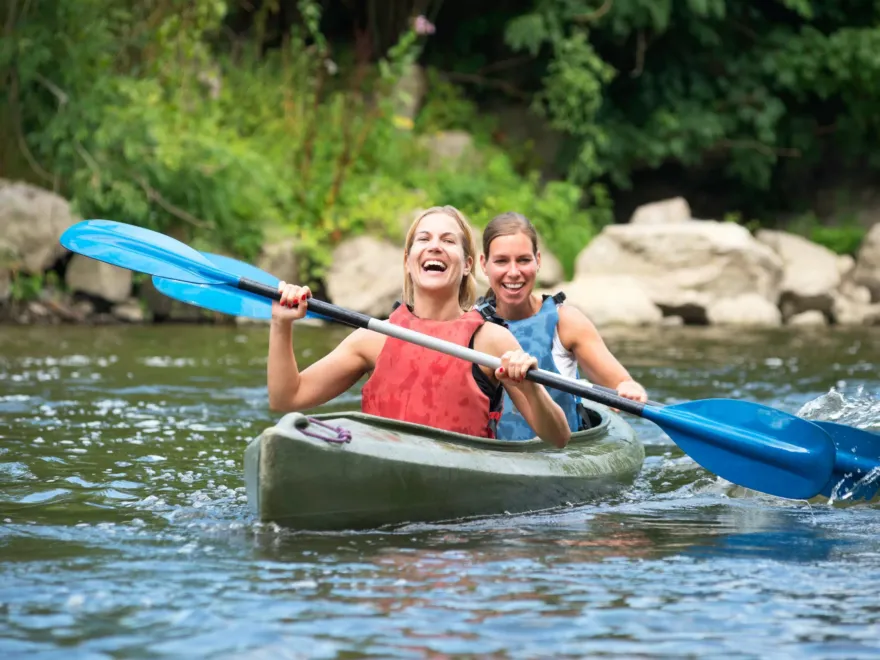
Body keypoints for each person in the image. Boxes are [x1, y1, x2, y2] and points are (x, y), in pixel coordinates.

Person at [268, 206, 571, 448]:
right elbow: (287, 398)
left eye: (448, 240)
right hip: (384, 477)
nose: (435, 247)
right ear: (408, 260)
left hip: (462, 506)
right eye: (424, 239)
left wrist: (530, 388)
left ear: (467, 264)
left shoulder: (490, 340)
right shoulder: (374, 339)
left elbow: (558, 438)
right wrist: (281, 325)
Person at [477, 211, 649, 441]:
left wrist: (631, 390)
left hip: (560, 456)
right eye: (501, 261)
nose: (514, 272)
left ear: (538, 261)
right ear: (483, 264)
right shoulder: (472, 324)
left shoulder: (566, 321)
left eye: (523, 260)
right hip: (495, 458)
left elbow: (622, 384)